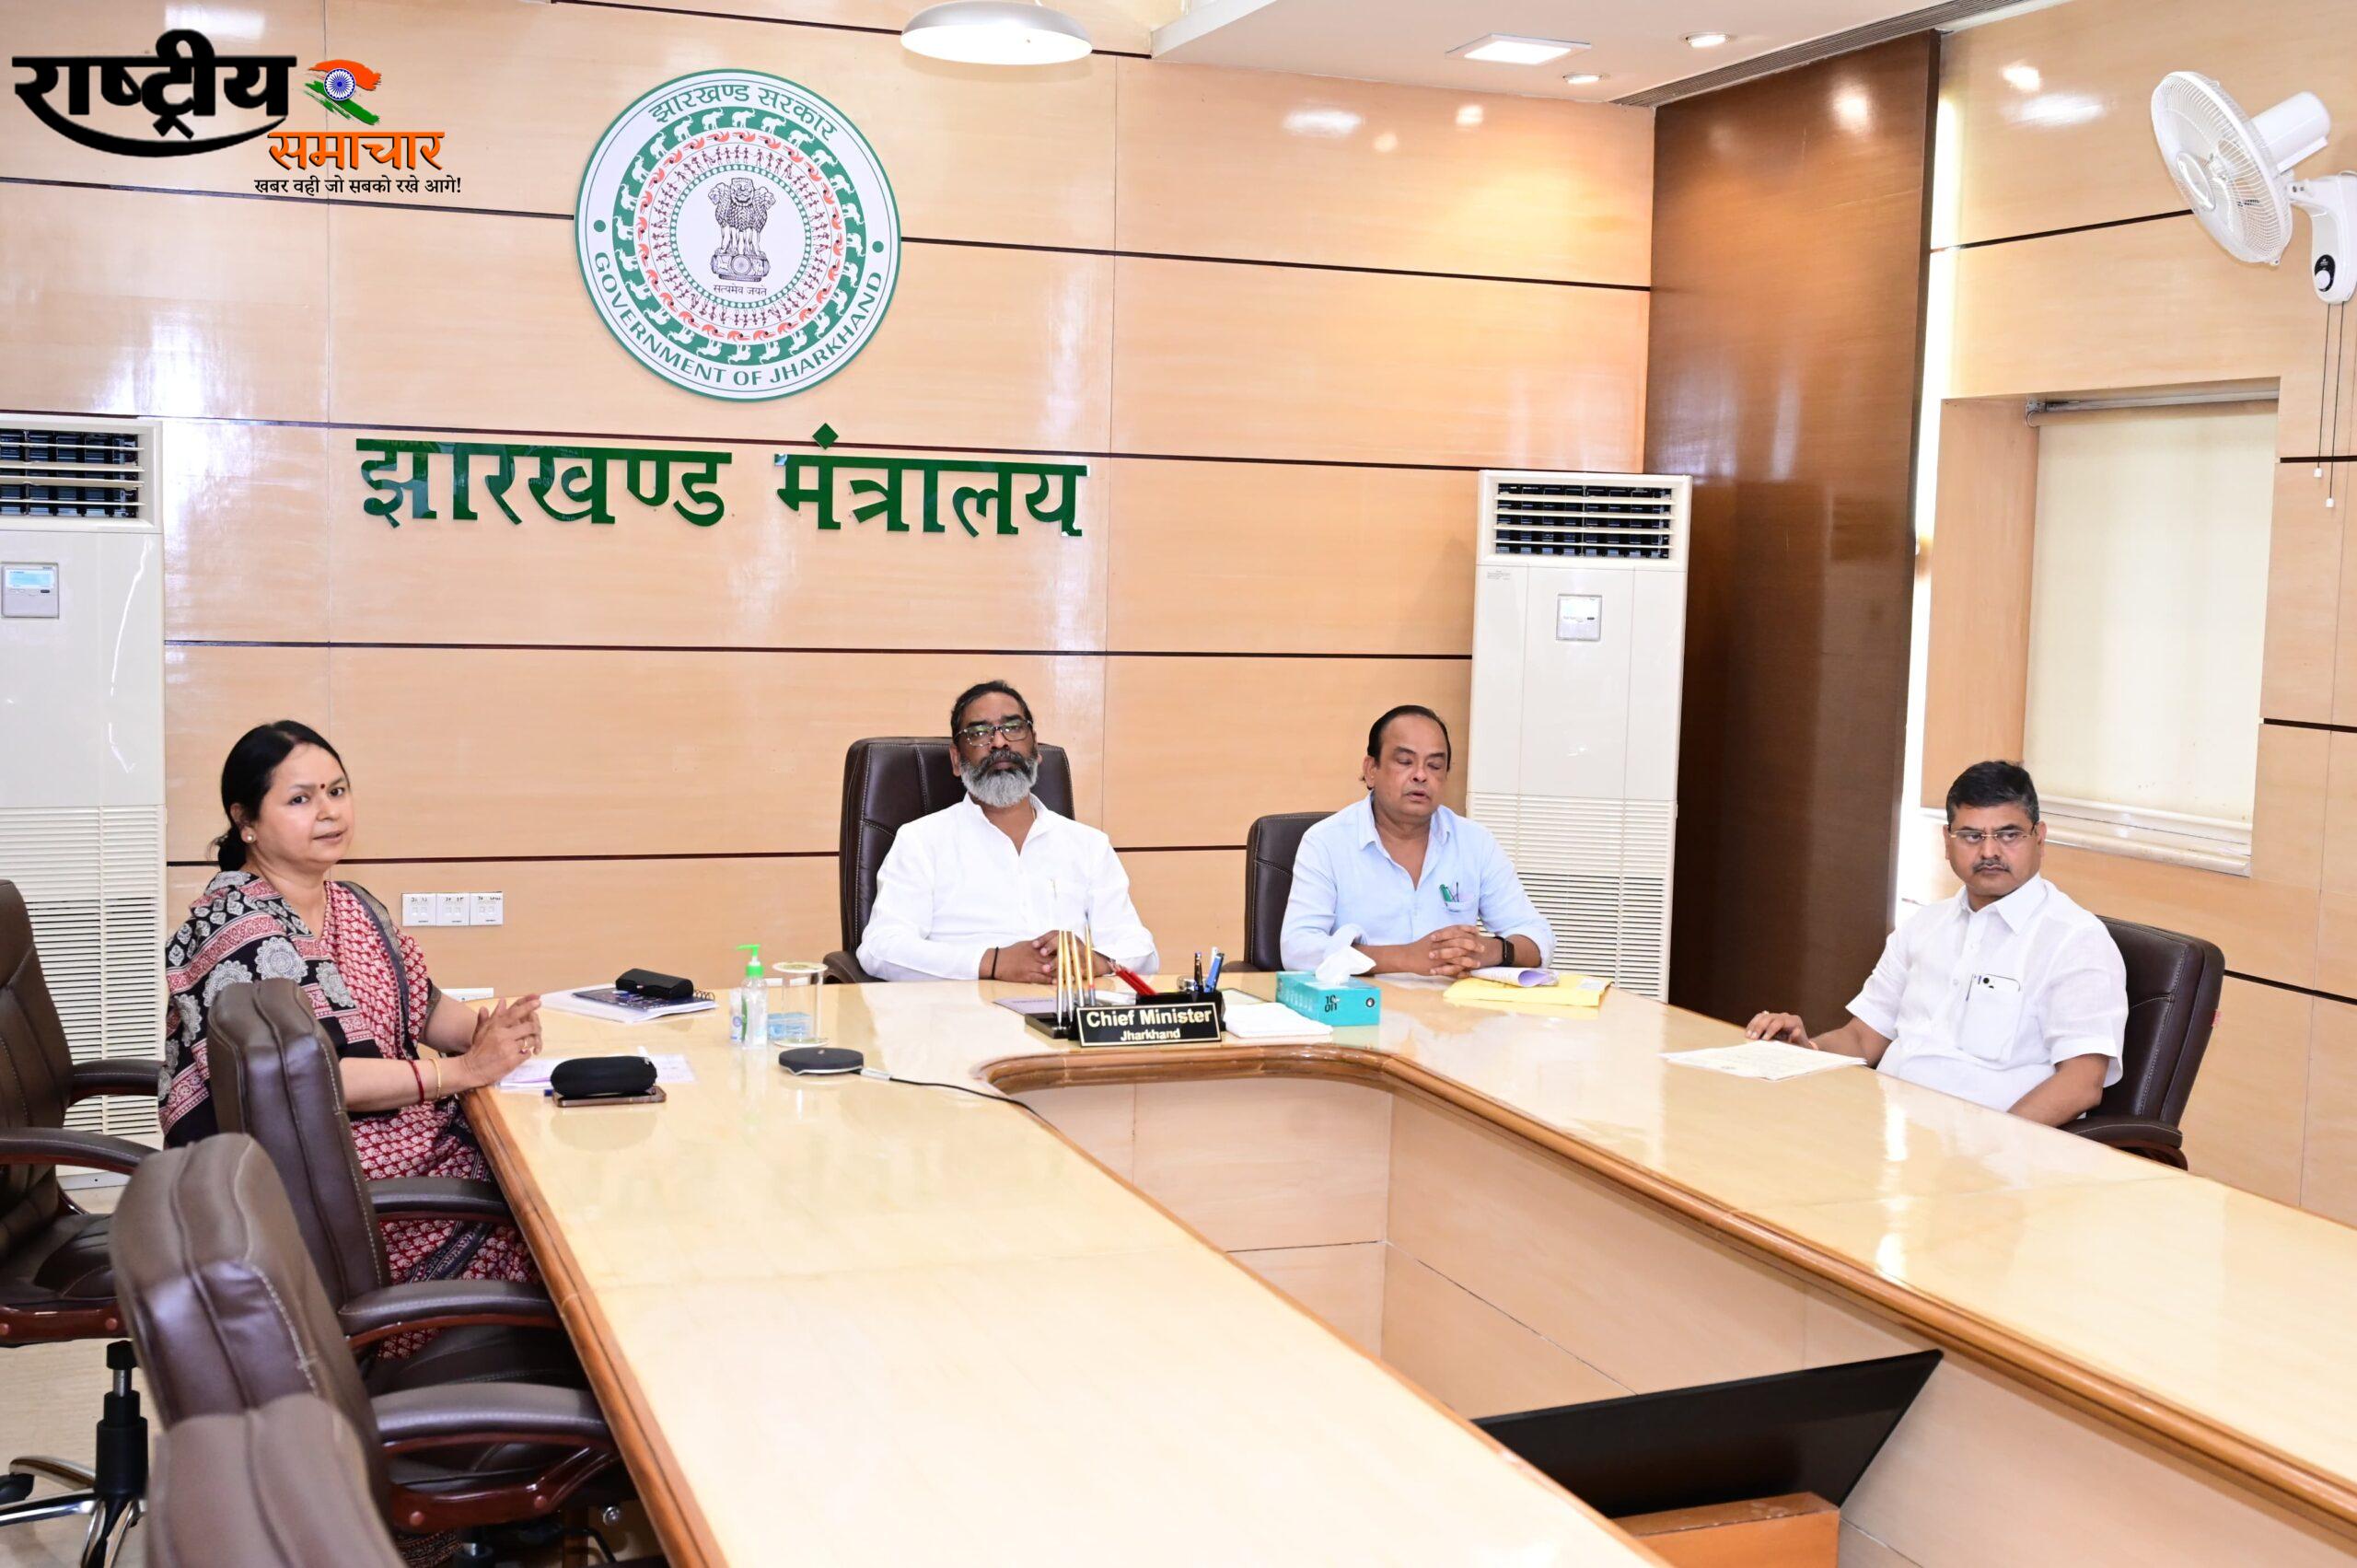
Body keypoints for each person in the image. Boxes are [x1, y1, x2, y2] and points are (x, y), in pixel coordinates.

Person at [162, 720, 545, 1361]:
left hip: (381, 1141)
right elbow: (311, 1079)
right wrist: (459, 1073)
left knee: (533, 1170)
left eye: (337, 791)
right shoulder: (234, 926)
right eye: (300, 798)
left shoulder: (353, 904)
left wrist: (496, 1032)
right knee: (539, 1212)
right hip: (306, 1180)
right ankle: (472, 1363)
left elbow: (421, 1007)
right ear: (245, 820)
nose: (329, 811)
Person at [1745, 761, 2127, 1125]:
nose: (1989, 852)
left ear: (2039, 838)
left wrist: (1995, 1144)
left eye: (2009, 835)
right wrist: (1805, 1051)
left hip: (1985, 1153)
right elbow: (1861, 1038)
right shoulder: (1924, 925)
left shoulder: (2075, 940)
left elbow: (2081, 1084)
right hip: (1884, 1129)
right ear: (1947, 841)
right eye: (1971, 836)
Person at [856, 680, 1158, 983]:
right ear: (957, 760)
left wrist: (1096, 961)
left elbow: (1140, 949)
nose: (999, 742)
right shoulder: (921, 841)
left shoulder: (1088, 845)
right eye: (979, 733)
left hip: (1065, 1006)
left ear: (1035, 749)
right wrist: (992, 962)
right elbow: (881, 948)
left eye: (1013, 728)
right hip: (963, 1008)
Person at [1280, 704, 1553, 976]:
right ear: (1372, 769)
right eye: (1405, 761)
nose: (1421, 775)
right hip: (1363, 1001)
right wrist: (1404, 958)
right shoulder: (1326, 842)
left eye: (1434, 765)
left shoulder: (1475, 843)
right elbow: (1298, 949)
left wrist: (1489, 951)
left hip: (1447, 1003)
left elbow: (1538, 938)